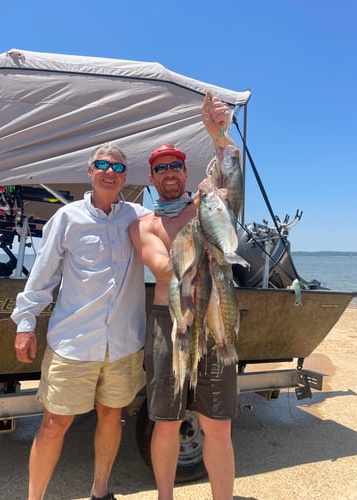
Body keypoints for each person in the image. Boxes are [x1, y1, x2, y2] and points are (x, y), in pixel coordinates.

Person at [11, 142, 151, 500]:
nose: (110, 172)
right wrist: (25, 323)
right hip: (73, 341)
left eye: (118, 168)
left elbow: (180, 219)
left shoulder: (138, 216)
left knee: (111, 415)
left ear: (125, 178)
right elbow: (42, 276)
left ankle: (100, 491)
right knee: (55, 422)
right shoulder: (67, 217)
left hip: (122, 343)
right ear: (89, 172)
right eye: (102, 165)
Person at [129, 94, 238, 500]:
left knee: (218, 424)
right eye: (161, 168)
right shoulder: (144, 224)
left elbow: (230, 179)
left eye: (176, 165)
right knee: (166, 422)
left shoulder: (205, 204)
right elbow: (163, 269)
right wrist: (205, 238)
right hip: (168, 324)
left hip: (213, 317)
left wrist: (219, 135)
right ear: (152, 178)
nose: (170, 172)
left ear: (186, 170)